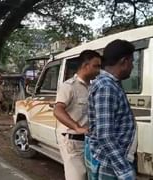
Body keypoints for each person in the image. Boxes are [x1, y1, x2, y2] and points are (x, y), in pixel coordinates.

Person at [85, 39, 137, 180]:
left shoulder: (110, 84)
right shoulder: (106, 87)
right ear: (124, 61)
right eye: (132, 61)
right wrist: (124, 171)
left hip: (113, 160)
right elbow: (105, 135)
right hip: (110, 164)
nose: (132, 66)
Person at [53, 50, 101, 180]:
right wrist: (76, 127)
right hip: (72, 140)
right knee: (77, 176)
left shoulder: (93, 87)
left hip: (90, 141)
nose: (99, 70)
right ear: (86, 66)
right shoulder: (68, 86)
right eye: (96, 66)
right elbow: (58, 110)